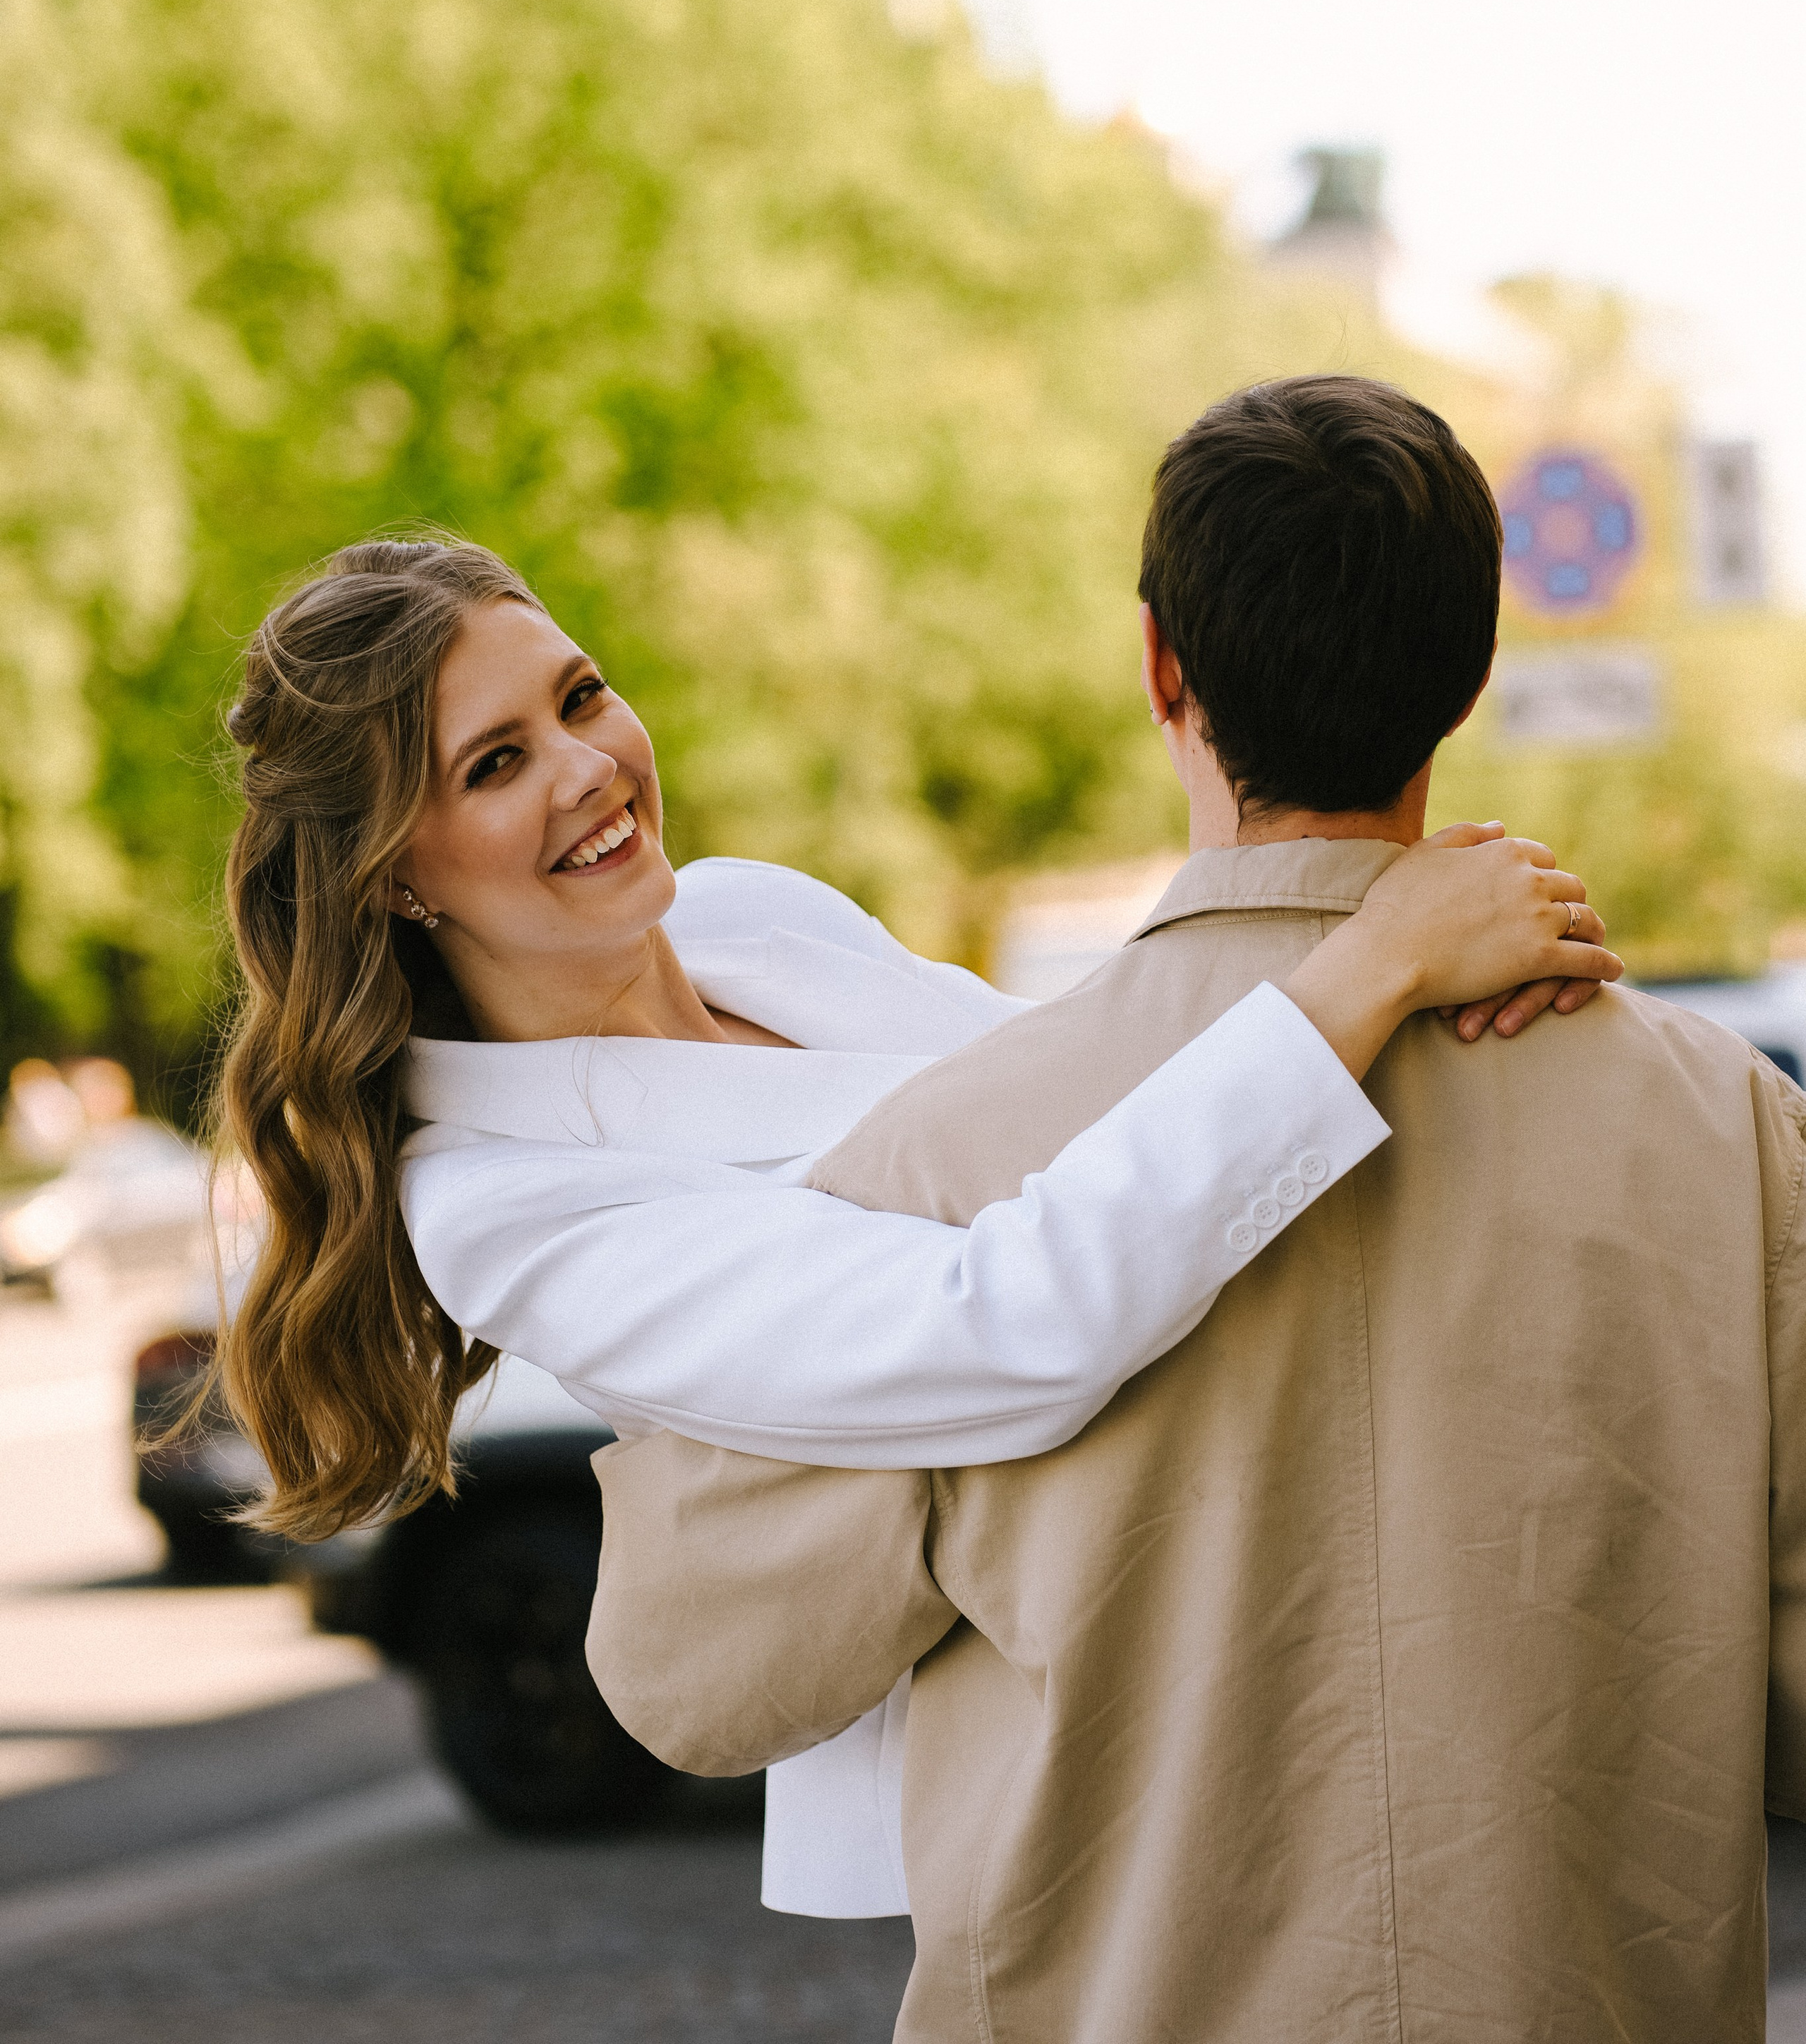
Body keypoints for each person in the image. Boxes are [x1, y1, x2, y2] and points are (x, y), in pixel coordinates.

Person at [588, 373, 1806, 2040]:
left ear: (1160, 664)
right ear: (1470, 670)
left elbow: (691, 1682)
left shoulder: (940, 1160)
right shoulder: (1724, 1128)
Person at [214, 518, 1616, 1918]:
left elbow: (1089, 1095)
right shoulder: (494, 1202)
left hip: (1231, 1574)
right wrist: (1370, 966)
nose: (588, 767)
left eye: (579, 696)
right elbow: (1006, 1326)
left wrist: (1408, 976)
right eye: (496, 763)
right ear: (396, 870)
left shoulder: (755, 912)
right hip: (1027, 1760)